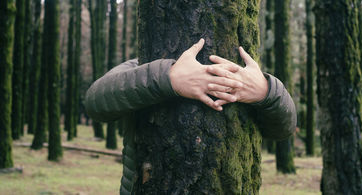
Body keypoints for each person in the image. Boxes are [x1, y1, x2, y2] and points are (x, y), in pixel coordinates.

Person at [85, 38, 296, 194]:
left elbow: (284, 129)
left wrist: (266, 92)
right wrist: (169, 78)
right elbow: (95, 102)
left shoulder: (245, 75)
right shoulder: (140, 66)